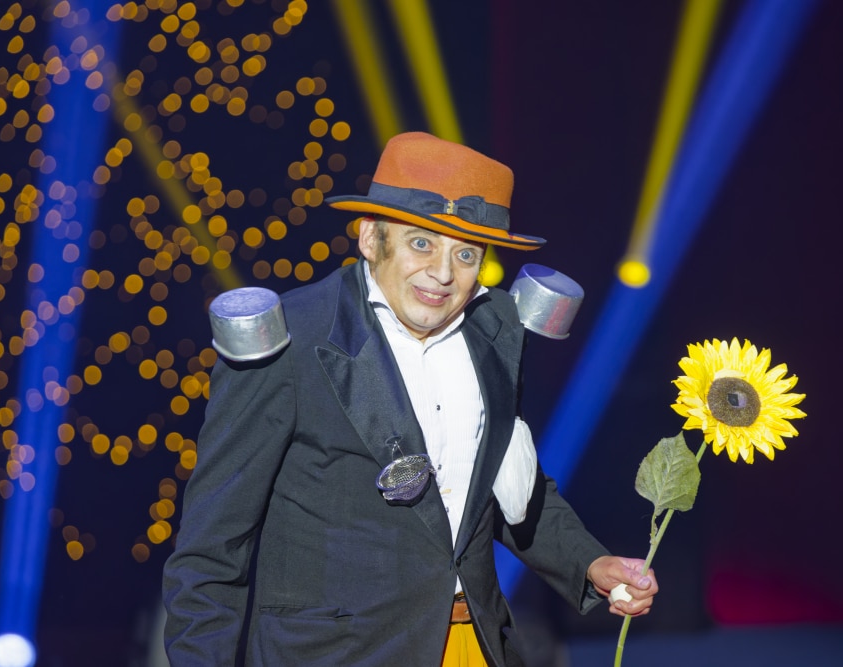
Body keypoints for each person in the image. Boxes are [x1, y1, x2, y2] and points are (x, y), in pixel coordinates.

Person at [162, 132, 659, 666]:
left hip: (473, 645)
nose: (443, 274)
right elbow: (212, 548)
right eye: (422, 243)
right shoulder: (291, 339)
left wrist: (589, 563)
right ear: (370, 237)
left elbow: (500, 487)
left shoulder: (496, 330)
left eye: (465, 253)